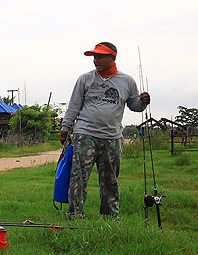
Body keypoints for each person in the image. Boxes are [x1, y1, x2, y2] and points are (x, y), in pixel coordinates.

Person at [60, 42, 150, 220]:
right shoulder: (85, 79)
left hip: (112, 137)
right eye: (94, 56)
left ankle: (110, 216)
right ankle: (75, 215)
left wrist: (144, 102)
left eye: (100, 56)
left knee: (110, 179)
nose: (95, 60)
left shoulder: (127, 81)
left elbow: (134, 106)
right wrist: (65, 128)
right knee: (78, 177)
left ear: (113, 58)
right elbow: (74, 106)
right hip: (84, 134)